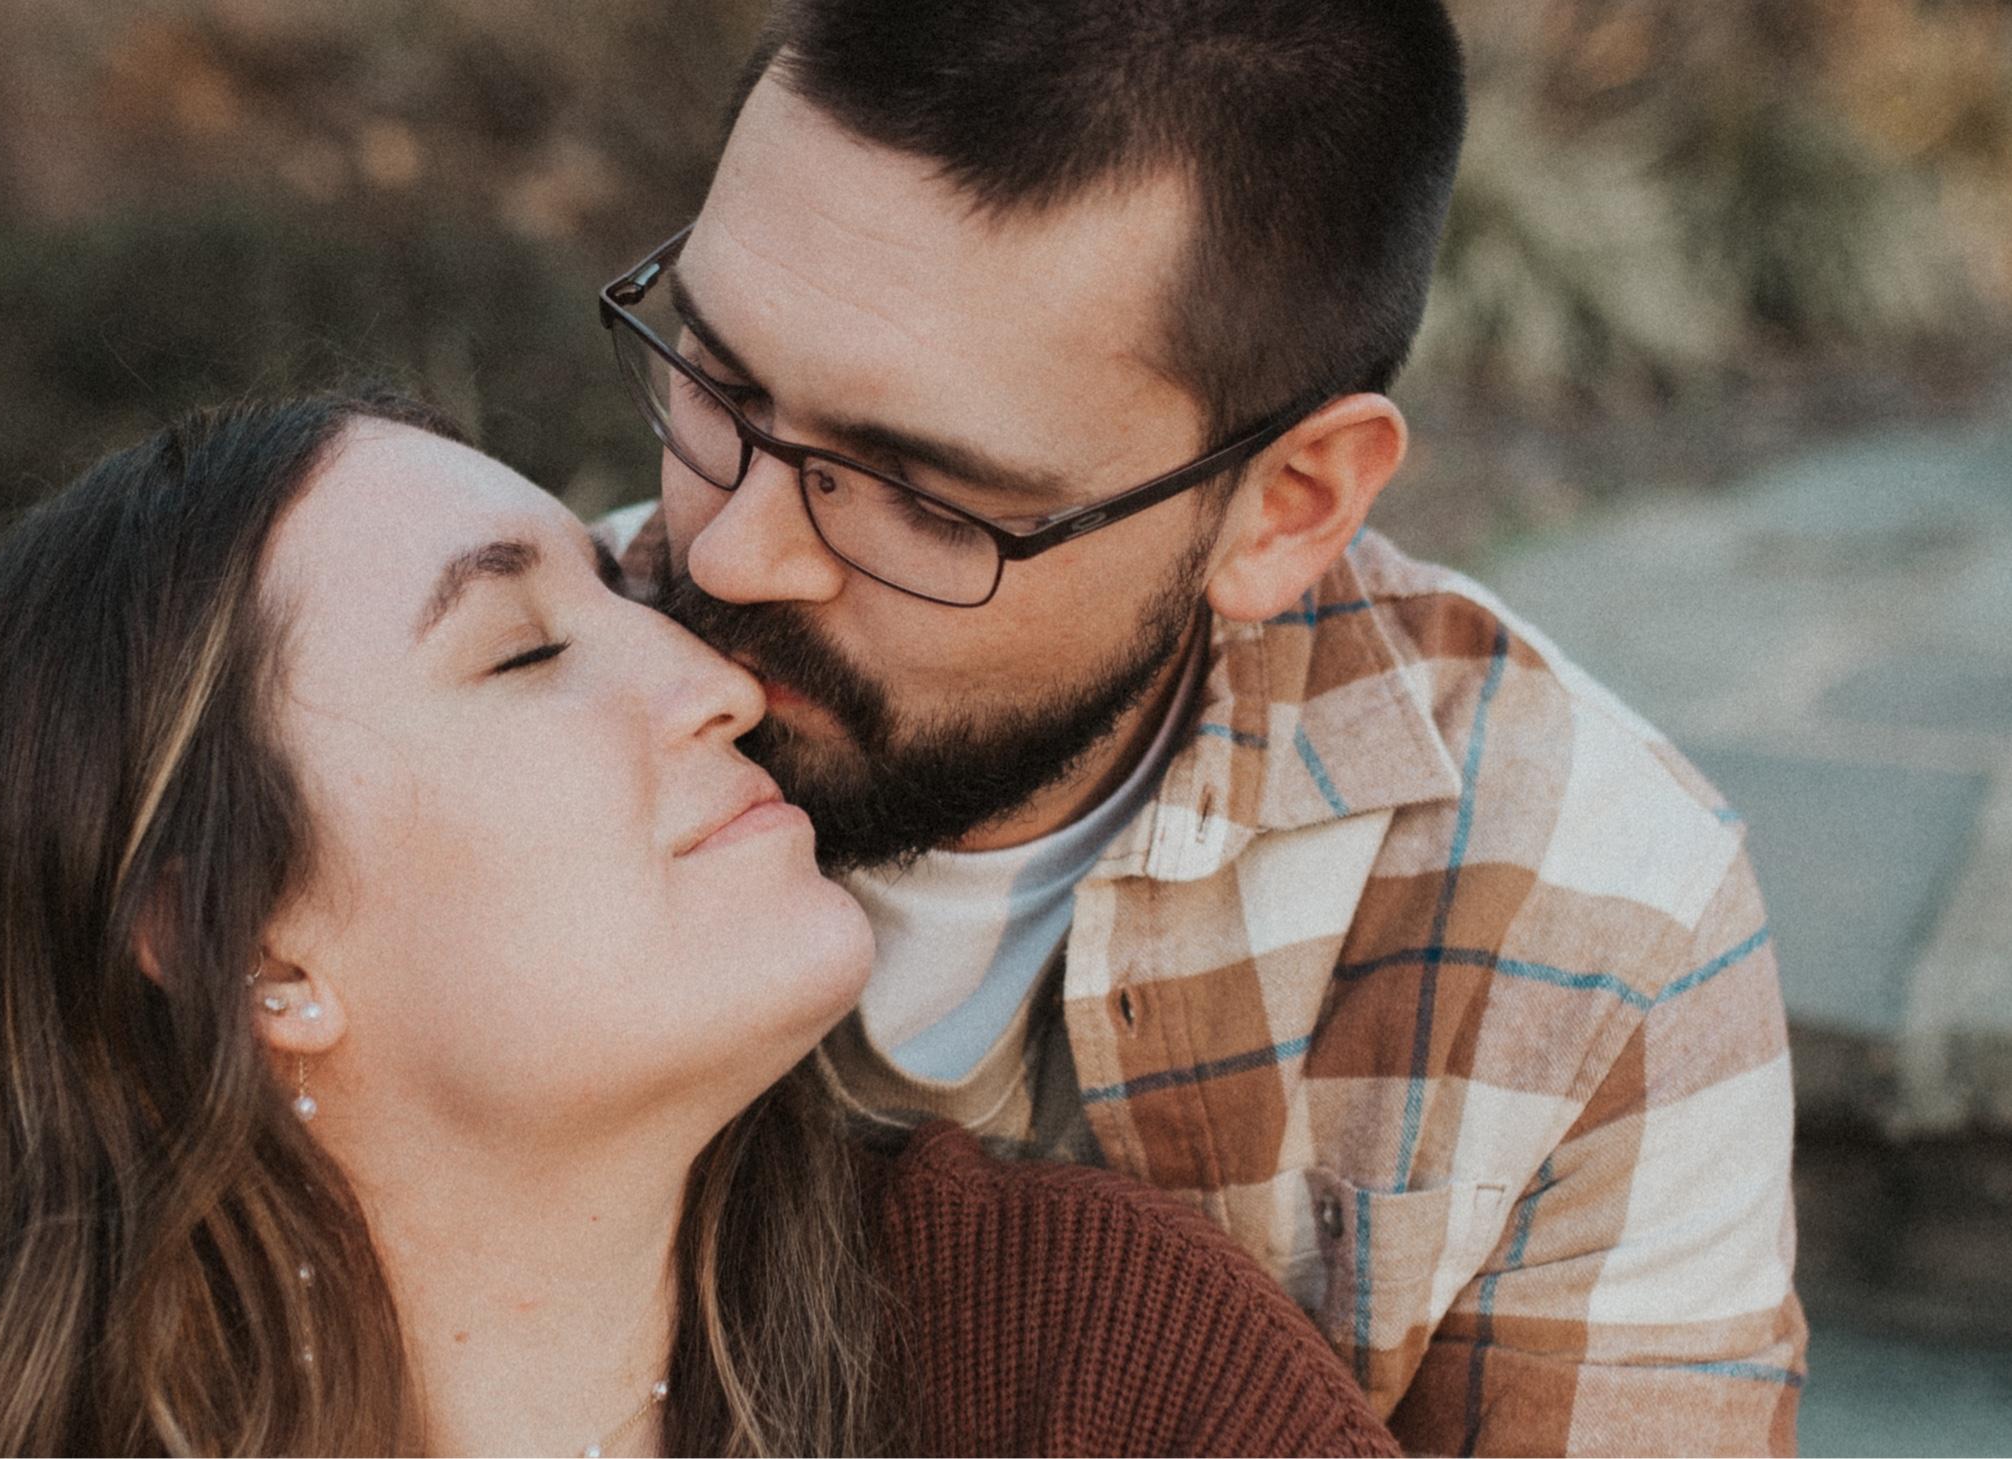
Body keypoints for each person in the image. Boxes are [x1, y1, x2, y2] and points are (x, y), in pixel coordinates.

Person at [0, 388, 1395, 1456]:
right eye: (522, 651)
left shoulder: (1081, 1372)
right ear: (237, 946)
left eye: (621, 599)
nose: (717, 681)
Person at [591, 0, 1806, 1453]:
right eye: (715, 377)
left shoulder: (1589, 925)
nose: (734, 555)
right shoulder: (438, 732)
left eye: (920, 494)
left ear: (1285, 509)